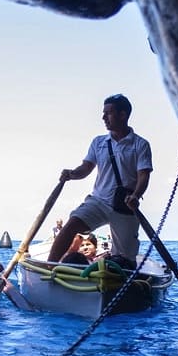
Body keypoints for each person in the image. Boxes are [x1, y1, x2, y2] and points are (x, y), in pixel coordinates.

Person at [48, 93, 152, 264]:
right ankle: (50, 266)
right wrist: (72, 174)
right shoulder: (98, 142)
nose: (103, 117)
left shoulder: (140, 144)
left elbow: (143, 175)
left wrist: (136, 195)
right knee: (71, 225)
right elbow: (86, 168)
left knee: (125, 258)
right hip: (99, 201)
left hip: (124, 205)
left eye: (108, 113)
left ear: (123, 115)